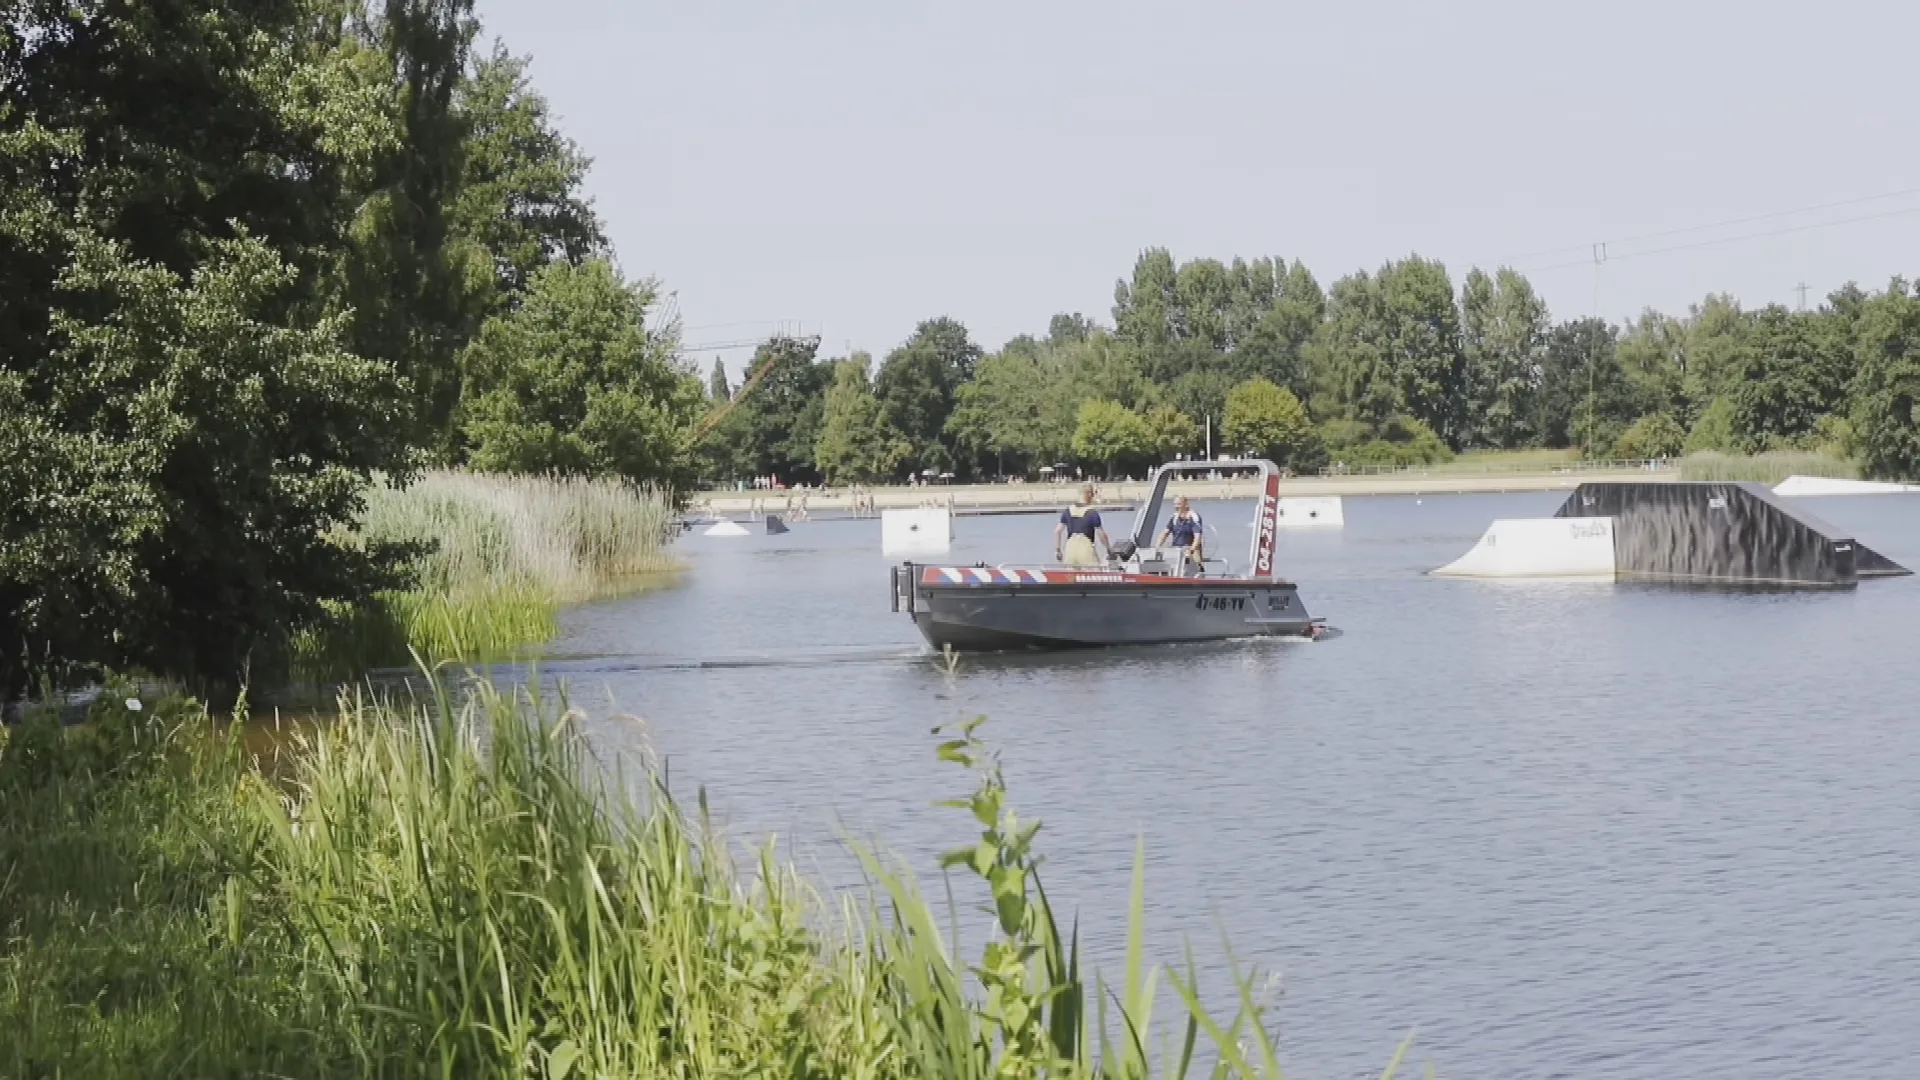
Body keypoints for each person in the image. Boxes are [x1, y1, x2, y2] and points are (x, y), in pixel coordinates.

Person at [1054, 484, 1110, 566]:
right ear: (1089, 495)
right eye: (1093, 494)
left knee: (1072, 578)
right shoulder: (1092, 513)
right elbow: (1101, 535)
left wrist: (1058, 550)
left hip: (1070, 550)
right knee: (1094, 576)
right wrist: (1109, 549)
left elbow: (1057, 531)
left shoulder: (1068, 511)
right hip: (1086, 550)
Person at [1156, 495, 1205, 570]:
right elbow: (1165, 533)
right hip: (1176, 550)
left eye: (1178, 504)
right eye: (1175, 504)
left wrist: (1191, 550)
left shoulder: (1193, 517)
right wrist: (1157, 547)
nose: (1176, 506)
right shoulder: (1174, 517)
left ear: (1185, 504)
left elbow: (1197, 537)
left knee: (1194, 552)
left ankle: (1198, 568)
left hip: (1190, 550)